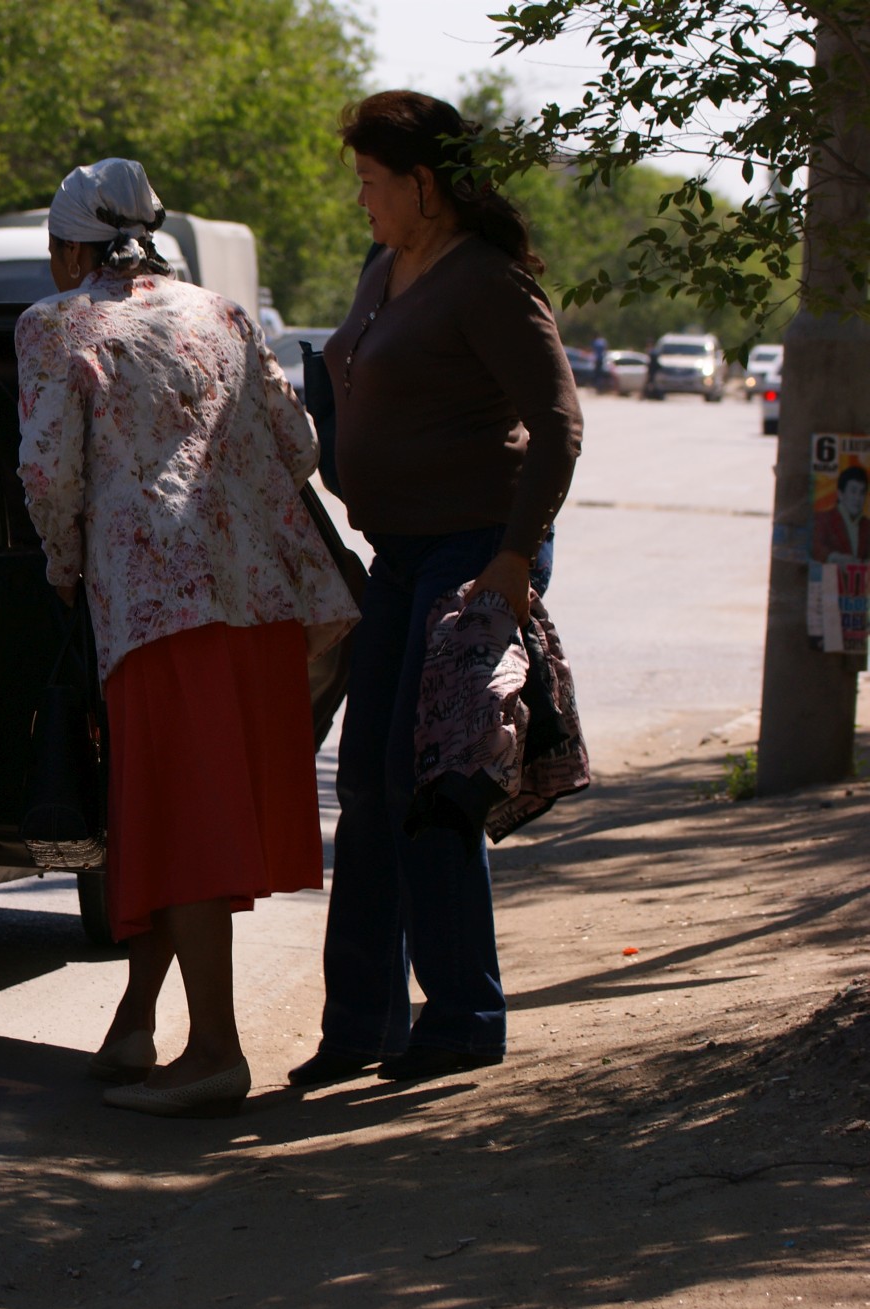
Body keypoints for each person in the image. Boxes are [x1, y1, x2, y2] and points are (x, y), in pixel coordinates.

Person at [17, 158, 359, 1117]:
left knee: (181, 823)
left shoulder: (57, 326)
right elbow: (299, 446)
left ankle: (215, 1052)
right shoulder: (224, 315)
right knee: (187, 818)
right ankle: (136, 1021)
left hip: (156, 607)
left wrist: (62, 565)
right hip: (262, 605)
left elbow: (47, 474)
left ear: (71, 247)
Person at [290, 91, 582, 1088]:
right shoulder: (386, 265)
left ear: (422, 183)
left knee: (430, 780)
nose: (361, 200)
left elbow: (556, 427)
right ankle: (357, 1026)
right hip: (399, 555)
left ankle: (460, 1015)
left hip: (469, 554)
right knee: (366, 782)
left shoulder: (487, 282)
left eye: (372, 182)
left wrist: (513, 557)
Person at [814, 466, 870, 563]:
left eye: (862, 492)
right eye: (853, 491)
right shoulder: (822, 519)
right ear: (840, 494)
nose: (858, 498)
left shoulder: (867, 525)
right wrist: (834, 557)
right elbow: (814, 546)